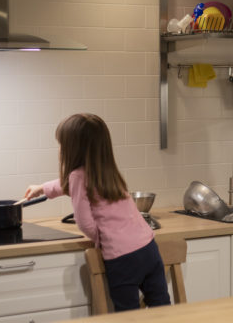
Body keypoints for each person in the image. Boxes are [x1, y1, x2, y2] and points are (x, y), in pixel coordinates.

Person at [24, 113, 170, 312]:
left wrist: (103, 240)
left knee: (127, 315)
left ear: (72, 149)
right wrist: (43, 187)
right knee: (163, 309)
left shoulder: (77, 176)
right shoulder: (107, 170)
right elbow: (70, 184)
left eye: (61, 144)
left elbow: (84, 223)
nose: (59, 150)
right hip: (148, 248)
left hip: (123, 257)